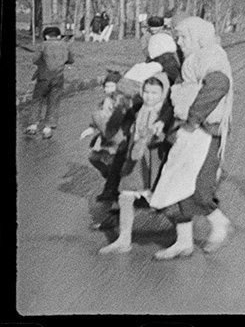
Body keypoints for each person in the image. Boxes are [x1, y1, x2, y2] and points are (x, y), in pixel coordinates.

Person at [150, 16, 234, 261]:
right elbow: (178, 93)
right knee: (175, 184)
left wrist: (193, 119)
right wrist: (164, 120)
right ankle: (184, 242)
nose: (180, 41)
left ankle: (220, 223)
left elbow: (219, 84)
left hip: (204, 131)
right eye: (178, 37)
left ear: (198, 36)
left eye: (184, 37)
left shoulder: (211, 55)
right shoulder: (192, 59)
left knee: (197, 185)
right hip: (187, 127)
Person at [98, 72, 175, 255]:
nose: (149, 96)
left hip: (154, 162)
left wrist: (157, 134)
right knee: (125, 195)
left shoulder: (165, 114)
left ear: (163, 94)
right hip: (135, 162)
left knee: (163, 201)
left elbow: (167, 137)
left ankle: (184, 232)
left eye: (154, 93)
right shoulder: (138, 109)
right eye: (146, 91)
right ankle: (124, 239)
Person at [81, 70, 133, 205]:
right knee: (94, 158)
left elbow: (126, 118)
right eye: (106, 86)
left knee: (114, 162)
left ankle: (113, 191)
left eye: (112, 86)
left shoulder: (123, 101)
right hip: (104, 136)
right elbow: (100, 117)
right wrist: (91, 128)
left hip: (118, 137)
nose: (108, 89)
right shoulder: (104, 101)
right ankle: (110, 178)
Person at [25, 25, 75, 139]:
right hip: (58, 78)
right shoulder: (65, 45)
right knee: (54, 101)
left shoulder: (43, 45)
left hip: (43, 77)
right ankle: (48, 128)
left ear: (46, 36)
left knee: (37, 99)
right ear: (58, 36)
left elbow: (35, 60)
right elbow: (71, 60)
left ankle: (33, 125)